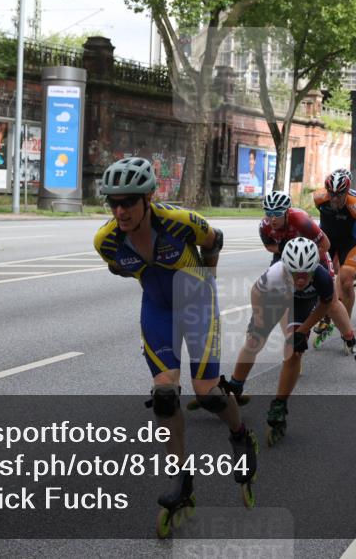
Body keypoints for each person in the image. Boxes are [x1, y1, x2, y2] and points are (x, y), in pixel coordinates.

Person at [92, 157, 258, 536]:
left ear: (148, 197)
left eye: (129, 202)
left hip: (197, 302)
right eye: (113, 203)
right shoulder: (106, 240)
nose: (120, 211)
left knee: (209, 394)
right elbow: (119, 267)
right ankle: (182, 481)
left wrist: (208, 278)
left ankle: (240, 436)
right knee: (165, 396)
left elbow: (216, 240)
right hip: (157, 308)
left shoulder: (180, 222)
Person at [222, 238, 356, 447]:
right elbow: (256, 293)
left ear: (314, 268)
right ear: (286, 268)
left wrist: (303, 330)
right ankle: (235, 386)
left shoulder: (323, 276)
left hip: (304, 303)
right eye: (295, 274)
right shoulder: (276, 273)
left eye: (305, 274)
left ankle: (280, 405)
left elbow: (327, 304)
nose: (300, 280)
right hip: (277, 297)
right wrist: (258, 318)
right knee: (254, 340)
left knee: (294, 350)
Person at [311, 169, 356, 347]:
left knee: (346, 283)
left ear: (347, 192)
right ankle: (325, 316)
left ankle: (346, 326)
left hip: (348, 242)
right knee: (320, 280)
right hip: (327, 241)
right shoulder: (319, 198)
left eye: (339, 195)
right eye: (331, 194)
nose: (334, 199)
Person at [259, 190, 331, 270]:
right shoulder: (264, 226)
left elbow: (325, 245)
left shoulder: (301, 221)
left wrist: (304, 259)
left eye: (278, 213)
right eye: (269, 213)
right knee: (272, 277)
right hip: (285, 252)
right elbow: (268, 246)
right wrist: (280, 248)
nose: (273, 219)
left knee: (324, 279)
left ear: (287, 213)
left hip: (311, 251)